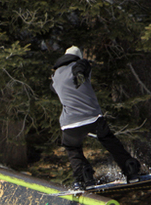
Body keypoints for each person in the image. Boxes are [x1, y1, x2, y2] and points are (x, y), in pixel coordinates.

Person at [51, 46, 142, 190]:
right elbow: (82, 66)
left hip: (69, 124)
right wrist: (80, 71)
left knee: (72, 147)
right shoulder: (80, 65)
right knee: (108, 140)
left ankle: (83, 177)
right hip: (92, 118)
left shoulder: (55, 75)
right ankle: (129, 167)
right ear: (78, 57)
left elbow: (56, 87)